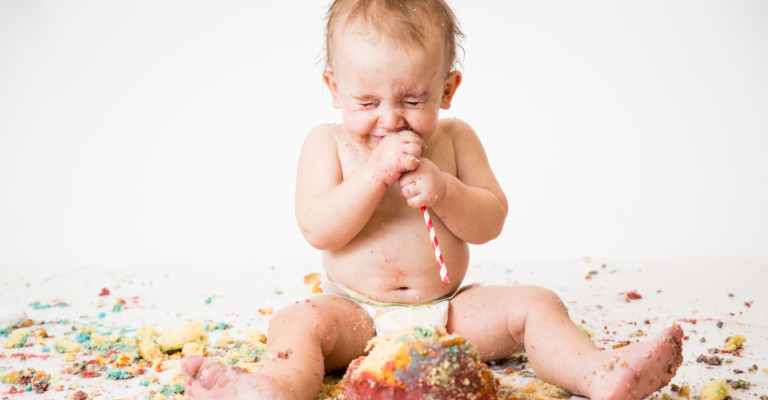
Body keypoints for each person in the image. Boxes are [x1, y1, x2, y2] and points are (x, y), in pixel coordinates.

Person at [181, 1, 683, 399]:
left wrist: (444, 189)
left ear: (447, 89)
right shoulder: (327, 143)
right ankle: (274, 389)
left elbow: (489, 223)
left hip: (450, 313)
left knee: (536, 304)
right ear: (334, 89)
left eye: (413, 100)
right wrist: (374, 174)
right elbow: (319, 227)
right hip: (355, 314)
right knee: (295, 323)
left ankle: (600, 374)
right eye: (367, 102)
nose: (390, 119)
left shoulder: (457, 139)